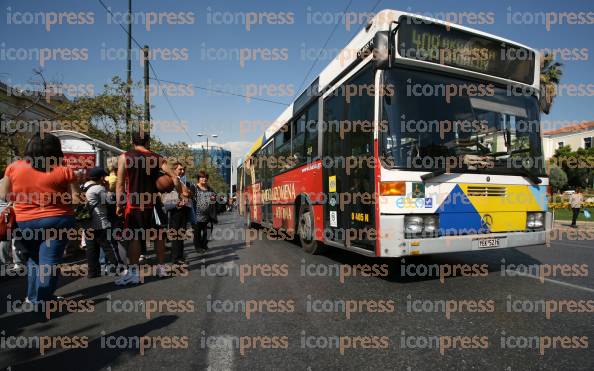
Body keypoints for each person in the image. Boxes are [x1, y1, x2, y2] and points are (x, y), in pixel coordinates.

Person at [0, 133, 79, 304]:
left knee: (33, 260)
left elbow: (4, 194)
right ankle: (44, 299)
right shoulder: (64, 169)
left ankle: (33, 297)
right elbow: (76, 199)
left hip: (24, 221)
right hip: (57, 219)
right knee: (49, 261)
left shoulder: (14, 167)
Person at [115, 129, 180, 285]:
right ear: (148, 142)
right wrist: (175, 191)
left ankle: (134, 273)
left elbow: (119, 184)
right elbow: (175, 178)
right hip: (154, 203)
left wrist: (119, 204)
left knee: (135, 237)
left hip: (134, 203)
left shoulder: (124, 157)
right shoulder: (158, 158)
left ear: (133, 141)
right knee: (159, 236)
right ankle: (161, 268)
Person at [83, 167, 122, 278]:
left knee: (91, 248)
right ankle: (120, 268)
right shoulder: (98, 188)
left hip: (87, 223)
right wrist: (108, 188)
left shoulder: (84, 186)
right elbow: (110, 202)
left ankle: (92, 272)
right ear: (101, 177)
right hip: (101, 223)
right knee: (110, 246)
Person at [162, 162, 191, 264]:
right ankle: (175, 258)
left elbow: (187, 193)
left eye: (183, 169)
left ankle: (180, 256)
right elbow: (166, 195)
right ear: (174, 170)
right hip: (175, 209)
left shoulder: (182, 180)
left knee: (181, 234)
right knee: (176, 235)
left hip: (183, 209)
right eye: (180, 169)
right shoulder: (171, 180)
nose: (182, 171)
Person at [193, 170, 216, 254]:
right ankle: (198, 247)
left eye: (206, 177)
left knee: (209, 231)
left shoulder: (210, 189)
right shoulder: (194, 188)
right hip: (197, 215)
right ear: (198, 179)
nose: (204, 179)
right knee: (197, 233)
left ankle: (204, 245)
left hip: (208, 215)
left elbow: (214, 200)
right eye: (202, 177)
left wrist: (215, 199)